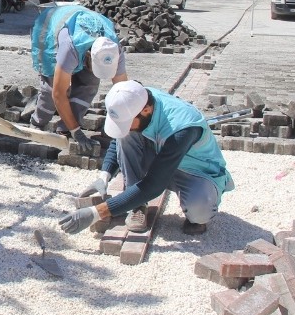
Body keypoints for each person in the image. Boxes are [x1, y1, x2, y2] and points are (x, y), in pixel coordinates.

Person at [57, 81, 235, 236]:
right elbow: (119, 138)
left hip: (196, 172)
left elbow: (154, 185)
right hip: (161, 158)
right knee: (129, 134)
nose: (124, 126)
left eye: (127, 121)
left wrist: (96, 212)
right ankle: (136, 205)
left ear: (147, 110)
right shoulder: (136, 97)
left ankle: (141, 199)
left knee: (199, 211)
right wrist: (104, 176)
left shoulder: (181, 128)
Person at [29, 0, 128, 155]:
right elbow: (59, 94)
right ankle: (37, 124)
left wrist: (125, 127)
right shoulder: (71, 47)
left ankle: (65, 128)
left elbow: (124, 91)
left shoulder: (114, 49)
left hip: (82, 35)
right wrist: (78, 133)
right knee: (52, 88)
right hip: (50, 30)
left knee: (89, 84)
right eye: (92, 65)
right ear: (88, 55)